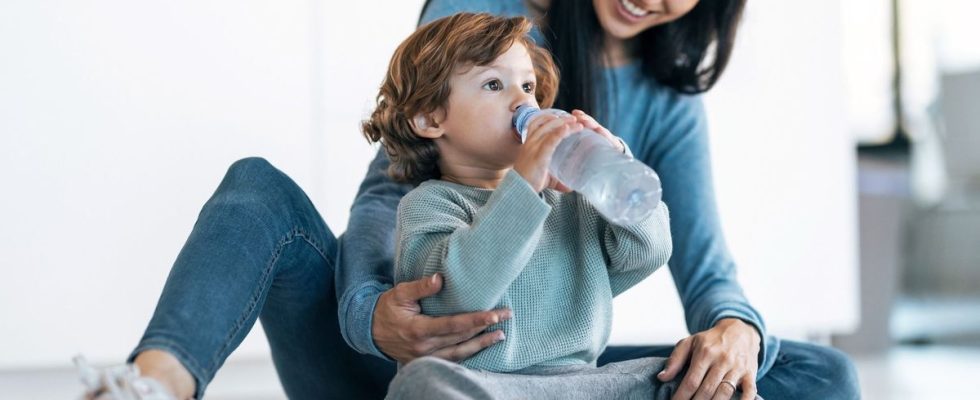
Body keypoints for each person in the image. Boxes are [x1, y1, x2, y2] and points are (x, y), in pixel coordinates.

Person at [77, 1, 860, 399]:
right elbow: (395, 192)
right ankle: (155, 384)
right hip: (404, 363)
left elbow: (680, 256)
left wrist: (735, 335)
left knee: (815, 375)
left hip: (539, 375)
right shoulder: (487, 23)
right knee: (256, 189)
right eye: (499, 87)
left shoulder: (661, 102)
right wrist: (372, 313)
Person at [361, 12, 683, 399]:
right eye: (494, 84)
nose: (522, 101)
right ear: (430, 118)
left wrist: (617, 164)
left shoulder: (568, 201)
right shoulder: (428, 206)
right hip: (485, 388)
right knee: (422, 383)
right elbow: (459, 294)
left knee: (691, 376)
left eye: (528, 85)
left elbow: (648, 252)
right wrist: (524, 188)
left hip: (582, 386)